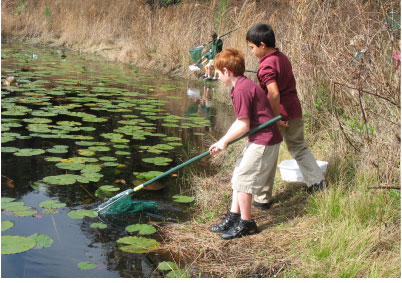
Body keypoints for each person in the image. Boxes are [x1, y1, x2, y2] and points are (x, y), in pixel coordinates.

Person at [246, 23, 326, 209]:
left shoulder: (266, 65)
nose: (251, 52)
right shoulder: (282, 57)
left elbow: (274, 93)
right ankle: (317, 183)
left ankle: (262, 198)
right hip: (294, 109)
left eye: (252, 48)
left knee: (267, 154)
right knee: (299, 147)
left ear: (262, 45)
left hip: (280, 113)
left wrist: (275, 118)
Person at [208, 48, 282, 240]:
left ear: (227, 71)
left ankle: (247, 223)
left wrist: (224, 141)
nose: (217, 77)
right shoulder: (240, 86)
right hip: (259, 138)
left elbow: (243, 124)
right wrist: (222, 140)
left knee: (243, 181)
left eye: (218, 73)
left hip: (264, 140)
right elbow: (240, 120)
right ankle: (234, 216)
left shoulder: (241, 89)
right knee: (238, 174)